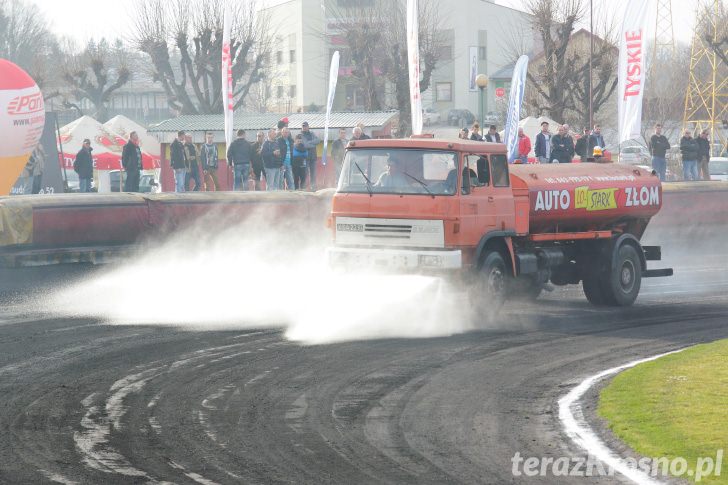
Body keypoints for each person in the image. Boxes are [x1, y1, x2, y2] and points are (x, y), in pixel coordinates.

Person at [301, 121, 321, 190]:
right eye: (303, 126)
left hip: (313, 156)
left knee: (313, 173)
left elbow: (318, 140)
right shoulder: (300, 135)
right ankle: (304, 188)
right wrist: (313, 143)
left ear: (308, 126)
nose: (304, 127)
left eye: (305, 126)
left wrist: (309, 143)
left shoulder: (312, 133)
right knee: (305, 173)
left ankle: (313, 188)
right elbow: (305, 145)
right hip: (305, 157)